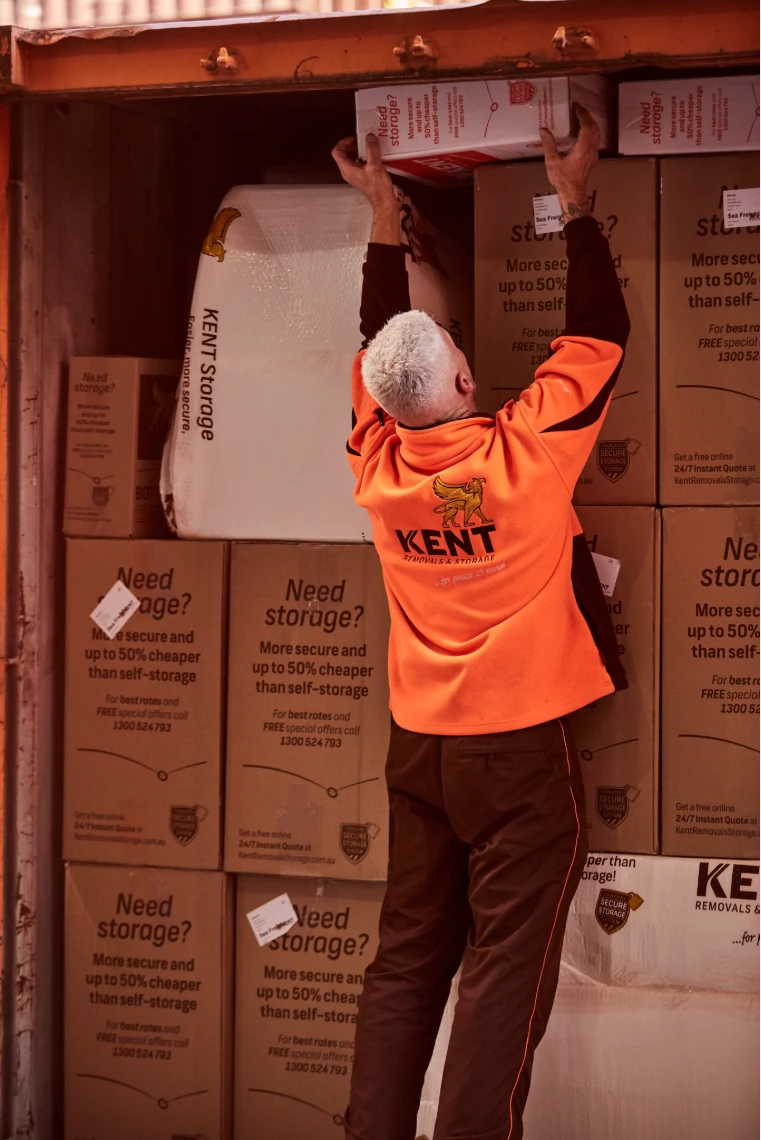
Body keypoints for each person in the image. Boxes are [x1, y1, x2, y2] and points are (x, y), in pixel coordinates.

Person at [331, 106, 629, 1140]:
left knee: (407, 955)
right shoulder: (522, 457)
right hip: (514, 761)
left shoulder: (376, 468)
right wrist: (576, 200)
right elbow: (596, 338)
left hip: (419, 751)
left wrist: (381, 218)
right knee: (502, 971)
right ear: (462, 381)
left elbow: (376, 349)